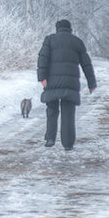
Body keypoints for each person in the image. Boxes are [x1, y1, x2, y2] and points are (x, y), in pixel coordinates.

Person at [37, 18, 97, 150]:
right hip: (70, 84)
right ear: (70, 29)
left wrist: (42, 77)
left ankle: (50, 139)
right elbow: (86, 64)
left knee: (52, 110)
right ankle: (68, 143)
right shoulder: (77, 42)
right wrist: (91, 82)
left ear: (57, 28)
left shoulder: (50, 40)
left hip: (52, 82)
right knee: (68, 113)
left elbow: (42, 59)